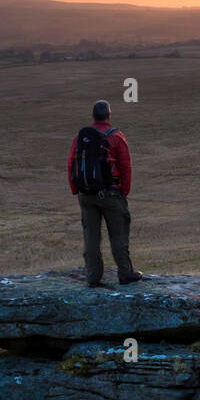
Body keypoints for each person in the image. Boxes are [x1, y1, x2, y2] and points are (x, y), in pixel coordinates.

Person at [67, 100, 142, 286]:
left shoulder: (80, 137)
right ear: (109, 115)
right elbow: (125, 166)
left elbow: (71, 164)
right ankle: (125, 273)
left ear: (93, 116)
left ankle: (92, 276)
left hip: (86, 194)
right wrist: (124, 191)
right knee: (118, 236)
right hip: (111, 194)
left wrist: (75, 189)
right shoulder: (116, 137)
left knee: (90, 237)